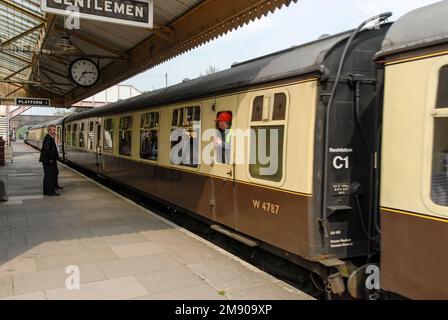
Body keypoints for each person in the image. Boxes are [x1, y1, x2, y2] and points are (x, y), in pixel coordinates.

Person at [39, 125, 63, 196]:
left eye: (55, 130)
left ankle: (47, 191)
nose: (55, 131)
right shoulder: (48, 138)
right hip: (48, 160)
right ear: (49, 130)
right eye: (53, 130)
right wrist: (50, 159)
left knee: (50, 175)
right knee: (49, 176)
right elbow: (47, 149)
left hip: (49, 160)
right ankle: (50, 192)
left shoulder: (50, 137)